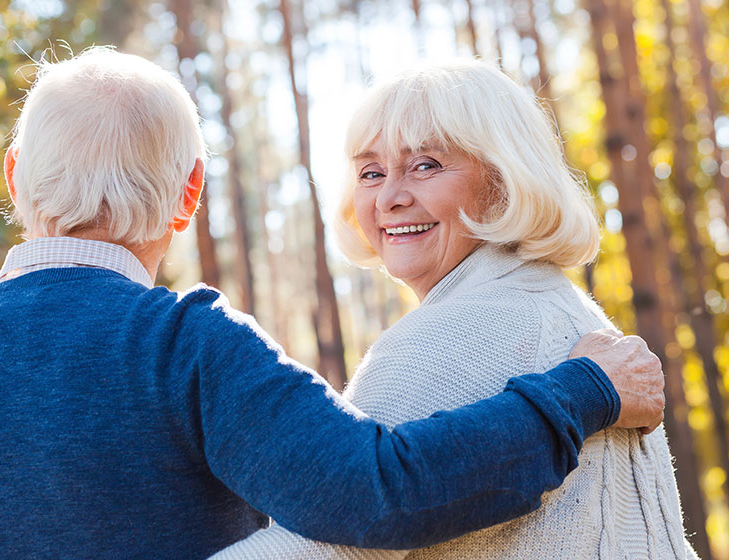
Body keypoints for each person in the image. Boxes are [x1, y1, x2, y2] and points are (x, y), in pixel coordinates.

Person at [0, 49, 664, 560]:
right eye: (371, 171)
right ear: (189, 197)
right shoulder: (188, 344)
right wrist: (583, 392)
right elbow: (376, 494)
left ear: (15, 177)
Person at [212, 60, 697, 559]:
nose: (390, 198)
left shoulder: (470, 327)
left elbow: (337, 543)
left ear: (505, 180)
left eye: (426, 165)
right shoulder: (560, 309)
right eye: (371, 172)